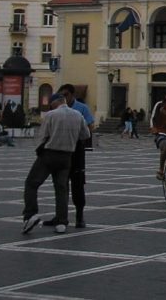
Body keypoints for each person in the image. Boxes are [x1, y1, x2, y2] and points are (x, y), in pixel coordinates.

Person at [21, 94, 91, 234]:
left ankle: (30, 214)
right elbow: (86, 135)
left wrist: (39, 150)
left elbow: (43, 135)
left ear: (55, 103)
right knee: (61, 188)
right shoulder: (77, 115)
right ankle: (61, 222)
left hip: (50, 153)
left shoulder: (51, 115)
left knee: (32, 183)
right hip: (67, 156)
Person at [41, 84, 94, 229]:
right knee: (60, 185)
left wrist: (79, 139)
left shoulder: (82, 108)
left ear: (72, 95)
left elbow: (90, 127)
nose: (63, 98)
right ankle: (60, 216)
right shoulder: (56, 109)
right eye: (61, 95)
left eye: (65, 95)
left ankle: (79, 216)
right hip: (60, 150)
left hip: (76, 151)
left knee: (78, 184)